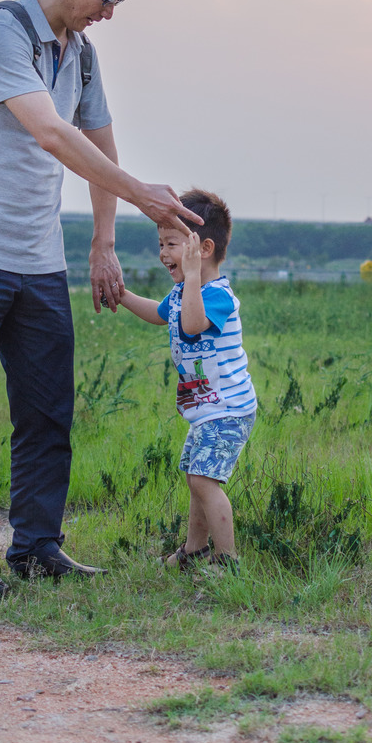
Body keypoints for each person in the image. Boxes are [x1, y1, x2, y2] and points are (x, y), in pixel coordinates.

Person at [0, 0, 202, 598]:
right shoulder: (0, 32)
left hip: (38, 261)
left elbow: (100, 148)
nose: (109, 14)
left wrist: (103, 241)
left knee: (48, 412)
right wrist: (141, 195)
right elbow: (50, 132)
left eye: (120, 3)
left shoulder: (80, 53)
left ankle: (37, 547)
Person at [118, 189, 256, 571]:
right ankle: (194, 552)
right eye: (160, 243)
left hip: (229, 408)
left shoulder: (218, 296)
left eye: (172, 244)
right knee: (196, 478)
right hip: (206, 409)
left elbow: (193, 325)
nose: (163, 253)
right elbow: (161, 313)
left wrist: (192, 276)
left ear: (203, 248)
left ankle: (227, 560)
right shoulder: (182, 292)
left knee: (203, 480)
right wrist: (122, 294)